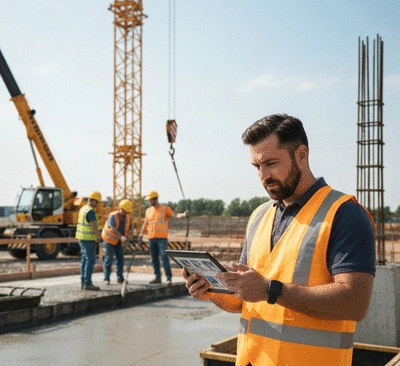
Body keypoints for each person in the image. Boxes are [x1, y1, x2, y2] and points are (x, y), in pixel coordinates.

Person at [183, 114, 376, 366]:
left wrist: (269, 290)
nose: (264, 175)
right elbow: (246, 299)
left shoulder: (344, 214)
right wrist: (211, 291)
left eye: (271, 163)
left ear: (301, 154)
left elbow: (354, 303)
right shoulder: (259, 216)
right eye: (257, 166)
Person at [141, 190, 187, 284]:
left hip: (162, 238)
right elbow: (146, 223)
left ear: (155, 199)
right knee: (154, 258)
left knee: (164, 257)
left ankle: (168, 277)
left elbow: (175, 215)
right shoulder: (148, 210)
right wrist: (141, 233)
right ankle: (157, 277)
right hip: (151, 238)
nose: (149, 202)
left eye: (150, 200)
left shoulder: (164, 208)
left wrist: (183, 215)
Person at [102, 199, 134, 284]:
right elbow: (112, 228)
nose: (126, 213)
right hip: (109, 240)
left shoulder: (127, 218)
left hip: (118, 242)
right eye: (125, 211)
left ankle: (120, 277)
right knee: (109, 259)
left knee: (120, 259)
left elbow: (130, 229)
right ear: (121, 208)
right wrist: (121, 237)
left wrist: (130, 235)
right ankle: (106, 278)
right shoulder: (113, 216)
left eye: (127, 211)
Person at [76, 191, 103, 291]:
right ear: (93, 201)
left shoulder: (83, 209)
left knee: (84, 260)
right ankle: (88, 283)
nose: (97, 205)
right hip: (88, 240)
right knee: (90, 260)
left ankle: (83, 282)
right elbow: (94, 225)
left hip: (81, 238)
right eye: (97, 202)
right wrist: (99, 237)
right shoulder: (90, 211)